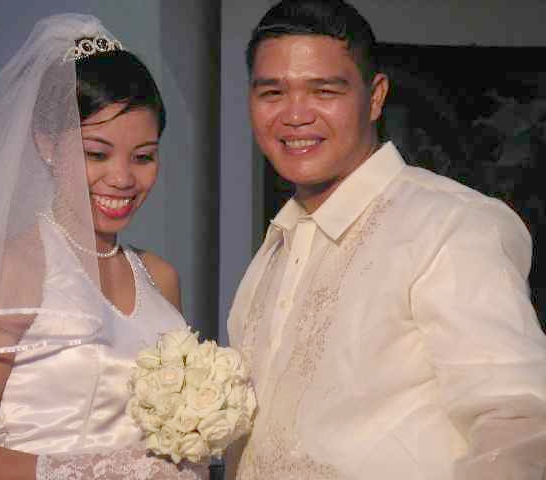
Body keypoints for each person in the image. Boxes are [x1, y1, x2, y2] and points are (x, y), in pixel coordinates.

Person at [227, 1, 546, 479]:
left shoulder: (451, 225)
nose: (294, 115)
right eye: (272, 92)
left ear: (375, 97)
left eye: (324, 90)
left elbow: (518, 420)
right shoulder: (276, 246)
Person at [0, 14, 206, 480]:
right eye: (96, 153)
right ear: (46, 143)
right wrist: (99, 473)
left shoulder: (161, 278)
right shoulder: (14, 268)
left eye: (143, 157)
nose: (123, 178)